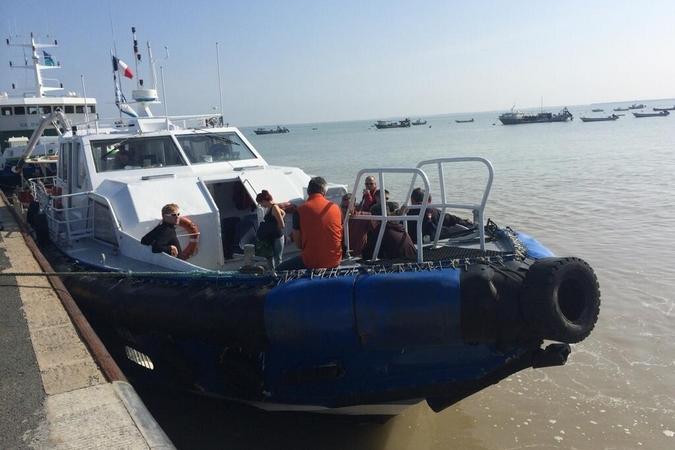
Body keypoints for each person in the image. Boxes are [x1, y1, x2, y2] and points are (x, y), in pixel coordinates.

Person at [277, 177, 343, 270]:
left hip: (312, 262)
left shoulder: (300, 211)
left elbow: (299, 245)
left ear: (308, 191)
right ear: (324, 191)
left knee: (279, 269)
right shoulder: (336, 208)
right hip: (335, 260)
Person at [405, 188, 473, 244]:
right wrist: (466, 222)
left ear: (412, 200)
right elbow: (451, 219)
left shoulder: (405, 214)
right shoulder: (434, 211)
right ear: (429, 200)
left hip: (413, 243)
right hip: (434, 239)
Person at [255, 190, 285, 269]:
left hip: (277, 237)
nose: (261, 205)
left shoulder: (274, 207)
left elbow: (282, 225)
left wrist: (274, 227)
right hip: (271, 237)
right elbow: (283, 213)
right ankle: (272, 273)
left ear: (264, 201)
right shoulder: (270, 208)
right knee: (269, 257)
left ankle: (279, 275)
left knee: (278, 258)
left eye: (260, 203)